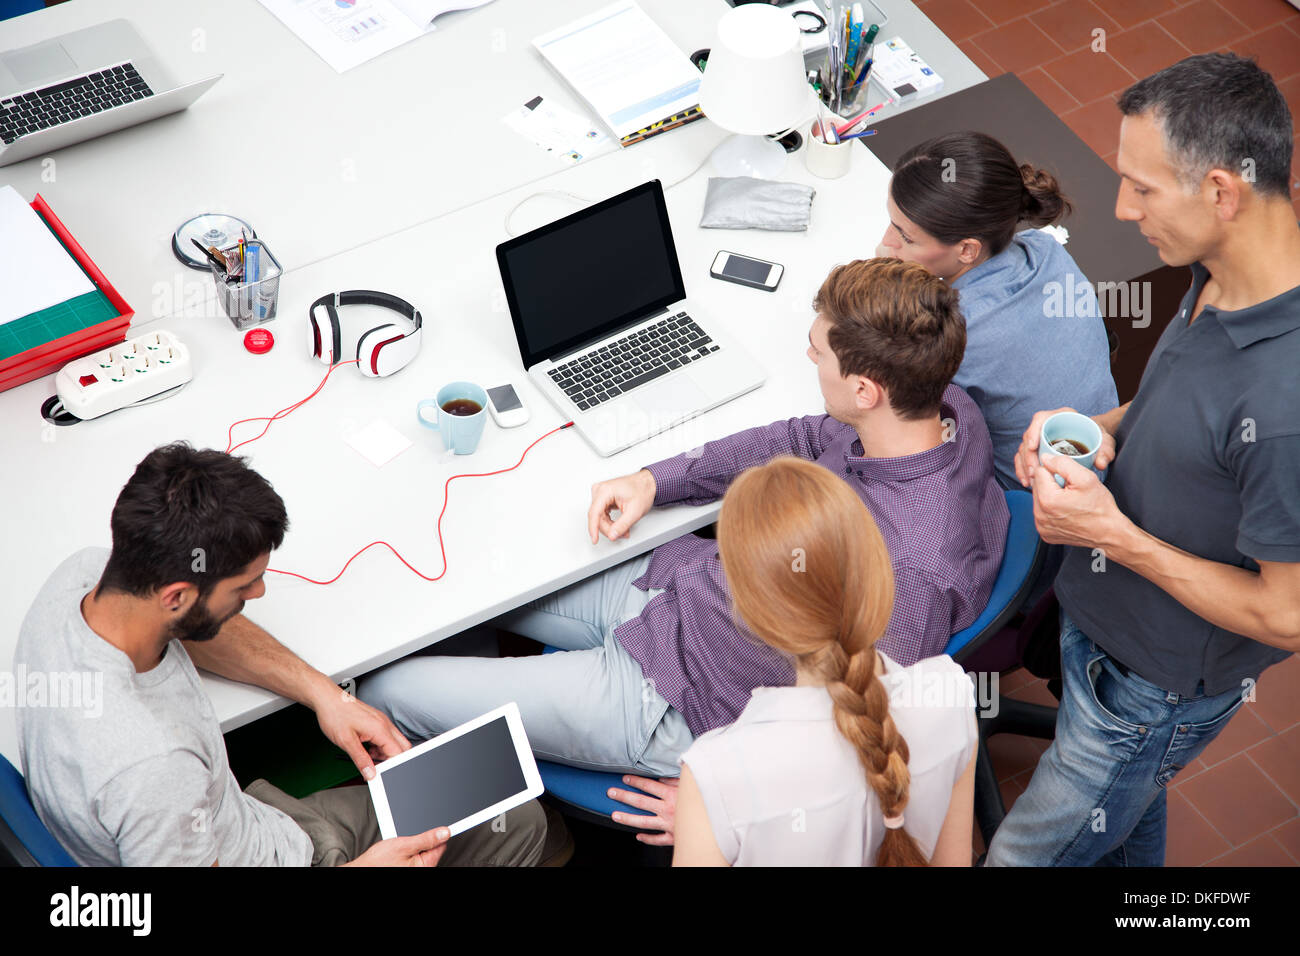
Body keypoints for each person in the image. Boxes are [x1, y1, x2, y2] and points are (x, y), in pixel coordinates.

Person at [360, 258, 1006, 793]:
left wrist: (719, 799)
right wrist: (656, 480)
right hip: (684, 586)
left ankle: (490, 824)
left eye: (818, 355)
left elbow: (854, 730)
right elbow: (803, 436)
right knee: (474, 581)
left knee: (387, 689)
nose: (807, 355)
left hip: (681, 701)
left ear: (865, 390)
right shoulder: (943, 404)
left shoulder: (911, 570)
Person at [987, 53, 1300, 867]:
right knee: (1125, 826)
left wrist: (1114, 535)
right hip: (1102, 621)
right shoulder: (1223, 268)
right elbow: (1178, 405)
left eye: (1143, 188)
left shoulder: (1288, 405)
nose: (1122, 209)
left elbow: (1287, 612)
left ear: (1222, 192)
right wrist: (1090, 426)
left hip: (1149, 689)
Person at [16, 443, 558, 867]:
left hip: (259, 827)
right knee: (521, 826)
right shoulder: (155, 773)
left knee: (514, 816)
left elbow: (197, 628)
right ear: (177, 596)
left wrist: (324, 694)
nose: (258, 597)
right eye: (243, 586)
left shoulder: (86, 578)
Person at [672, 457, 977, 866]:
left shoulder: (717, 773)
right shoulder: (952, 694)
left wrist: (709, 825)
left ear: (748, 612)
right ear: (875, 570)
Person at [877, 130, 1118, 489]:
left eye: (906, 237)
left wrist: (887, 282)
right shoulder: (1045, 249)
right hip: (1106, 460)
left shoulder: (949, 332)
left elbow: (891, 420)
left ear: (968, 251)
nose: (885, 242)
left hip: (1030, 502)